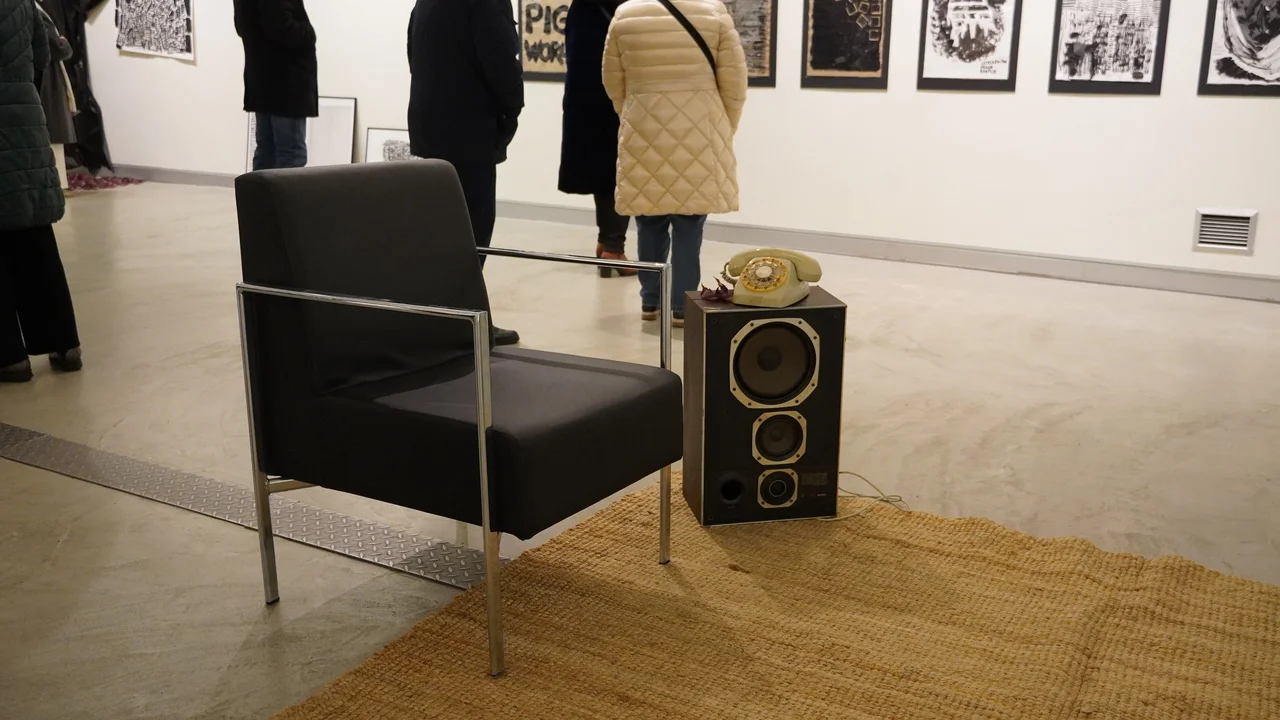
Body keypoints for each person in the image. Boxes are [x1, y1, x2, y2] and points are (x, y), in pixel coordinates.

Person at [604, 0, 747, 327]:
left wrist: (633, 112)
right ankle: (682, 307)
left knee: (648, 221)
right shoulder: (712, 12)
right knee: (689, 224)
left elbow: (613, 81)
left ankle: (650, 302)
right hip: (700, 127)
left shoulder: (625, 15)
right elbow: (735, 82)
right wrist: (724, 124)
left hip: (643, 128)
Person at [408, 0, 524, 345]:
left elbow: (413, 49)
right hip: (469, 126)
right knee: (473, 230)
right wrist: (512, 108)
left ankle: (446, 319)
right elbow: (500, 57)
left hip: (430, 120)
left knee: (442, 229)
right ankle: (464, 324)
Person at [0, 0, 83, 383]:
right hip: (25, 122)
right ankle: (64, 344)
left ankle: (9, 357)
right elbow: (43, 53)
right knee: (36, 238)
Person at [557, 0, 635, 278]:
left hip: (583, 100)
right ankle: (614, 248)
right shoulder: (624, 8)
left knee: (602, 173)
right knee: (620, 172)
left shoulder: (582, 7)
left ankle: (606, 243)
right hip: (615, 101)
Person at [234, 0, 318, 170]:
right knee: (291, 155)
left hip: (262, 79)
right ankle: (276, 190)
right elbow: (281, 27)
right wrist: (308, 33)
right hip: (285, 83)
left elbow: (241, 26)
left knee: (266, 152)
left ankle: (258, 190)